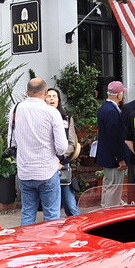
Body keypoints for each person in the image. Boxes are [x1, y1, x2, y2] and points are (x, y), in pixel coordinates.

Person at [8, 78, 68, 225]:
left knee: (27, 214)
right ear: (46, 92)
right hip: (47, 170)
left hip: (25, 171)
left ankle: (27, 246)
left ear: (27, 92)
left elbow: (12, 141)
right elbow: (62, 147)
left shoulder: (15, 109)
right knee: (51, 216)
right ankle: (48, 247)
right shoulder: (52, 112)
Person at [45, 87, 80, 216]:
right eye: (49, 96)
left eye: (54, 96)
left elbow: (72, 143)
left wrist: (60, 158)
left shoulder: (66, 119)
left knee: (70, 206)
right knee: (51, 207)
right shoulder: (41, 118)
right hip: (47, 165)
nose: (51, 99)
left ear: (59, 100)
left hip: (63, 165)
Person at [96, 81, 129, 208]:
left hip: (107, 155)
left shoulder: (104, 108)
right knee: (114, 187)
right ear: (119, 95)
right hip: (112, 157)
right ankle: (110, 212)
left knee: (108, 185)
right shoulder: (111, 111)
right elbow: (114, 137)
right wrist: (120, 158)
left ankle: (105, 208)